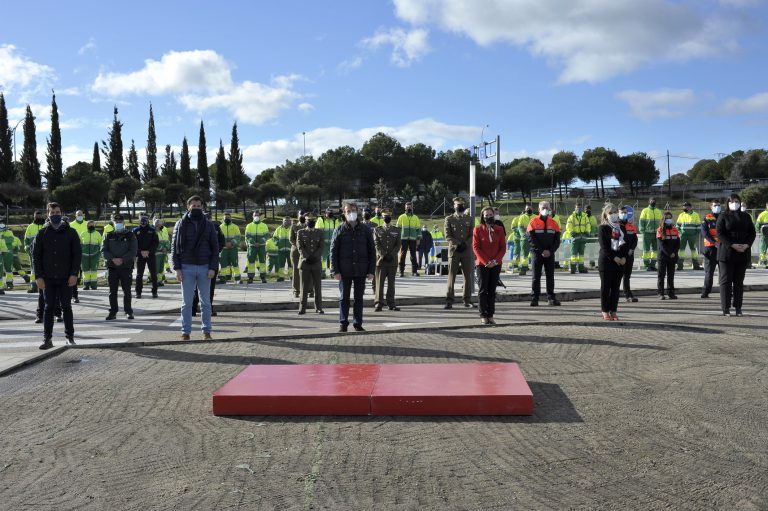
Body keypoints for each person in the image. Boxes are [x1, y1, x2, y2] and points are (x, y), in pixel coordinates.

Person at [33, 202, 81, 349]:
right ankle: (47, 339)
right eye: (52, 213)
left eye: (57, 212)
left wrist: (74, 274)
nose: (55, 215)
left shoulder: (71, 232)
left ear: (61, 213)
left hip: (66, 277)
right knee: (48, 308)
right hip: (48, 278)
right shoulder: (42, 233)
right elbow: (36, 256)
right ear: (48, 214)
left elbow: (77, 255)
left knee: (66, 307)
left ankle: (70, 337)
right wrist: (38, 276)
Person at [172, 196, 220, 341]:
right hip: (186, 267)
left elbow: (215, 248)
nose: (196, 208)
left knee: (206, 302)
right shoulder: (180, 224)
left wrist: (213, 268)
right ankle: (185, 332)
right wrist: (177, 268)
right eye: (194, 205)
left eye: (199, 206)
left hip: (205, 267)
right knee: (186, 303)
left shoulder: (209, 225)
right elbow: (174, 248)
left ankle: (206, 331)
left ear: (202, 207)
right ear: (188, 207)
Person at [330, 202, 375, 332]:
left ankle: (357, 323)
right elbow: (333, 252)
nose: (351, 213)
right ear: (344, 214)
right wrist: (335, 270)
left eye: (353, 210)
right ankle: (343, 323)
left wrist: (371, 270)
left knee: (359, 298)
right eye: (348, 211)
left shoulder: (365, 230)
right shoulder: (339, 229)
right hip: (344, 270)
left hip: (361, 270)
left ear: (357, 212)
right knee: (344, 298)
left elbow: (372, 251)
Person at [716, 194, 756, 316]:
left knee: (739, 283)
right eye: (732, 201)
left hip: (742, 253)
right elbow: (720, 233)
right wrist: (732, 245)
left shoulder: (746, 216)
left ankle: (738, 307)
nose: (735, 203)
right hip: (727, 254)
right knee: (726, 282)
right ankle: (726, 308)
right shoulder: (723, 216)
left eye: (737, 201)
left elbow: (752, 233)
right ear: (728, 203)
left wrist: (746, 245)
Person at [473, 207, 506, 324]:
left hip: (496, 264)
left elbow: (503, 248)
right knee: (483, 290)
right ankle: (483, 314)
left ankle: (490, 314)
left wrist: (495, 261)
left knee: (492, 290)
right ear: (482, 217)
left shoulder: (499, 229)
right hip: (482, 264)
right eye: (486, 215)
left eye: (490, 214)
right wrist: (486, 262)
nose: (488, 217)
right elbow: (476, 247)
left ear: (494, 215)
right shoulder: (477, 229)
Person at [102, 213, 137, 320]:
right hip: (112, 267)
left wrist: (122, 259)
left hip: (126, 266)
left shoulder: (130, 235)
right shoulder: (108, 235)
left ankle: (128, 311)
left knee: (127, 291)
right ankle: (113, 312)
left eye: (120, 221)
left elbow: (133, 250)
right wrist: (113, 259)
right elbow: (103, 250)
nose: (118, 223)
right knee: (112, 291)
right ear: (113, 223)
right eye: (116, 221)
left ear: (123, 222)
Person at [526, 201, 561, 306]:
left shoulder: (554, 223)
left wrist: (550, 251)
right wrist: (541, 250)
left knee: (550, 276)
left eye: (547, 207)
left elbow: (557, 240)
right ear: (539, 210)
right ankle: (535, 299)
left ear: (550, 209)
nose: (545, 209)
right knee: (536, 277)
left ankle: (551, 298)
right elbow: (531, 238)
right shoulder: (533, 222)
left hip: (550, 254)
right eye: (543, 208)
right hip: (537, 253)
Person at [598, 203, 629, 320]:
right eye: (610, 213)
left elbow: (626, 244)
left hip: (620, 262)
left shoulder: (621, 228)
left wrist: (624, 257)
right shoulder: (603, 228)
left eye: (615, 212)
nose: (613, 214)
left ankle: (613, 310)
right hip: (607, 262)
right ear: (606, 215)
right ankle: (605, 311)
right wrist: (614, 258)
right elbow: (604, 247)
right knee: (606, 288)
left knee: (616, 289)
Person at [192, 212, 225, 317]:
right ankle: (193, 308)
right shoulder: (195, 227)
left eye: (209, 218)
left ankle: (208, 309)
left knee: (210, 287)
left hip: (212, 261)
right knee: (197, 287)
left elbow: (221, 241)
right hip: (199, 261)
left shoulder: (216, 227)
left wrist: (215, 251)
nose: (208, 219)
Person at [444, 197, 475, 309]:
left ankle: (467, 300)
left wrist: (465, 244)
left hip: (466, 251)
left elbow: (472, 234)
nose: (460, 206)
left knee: (467, 276)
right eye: (458, 205)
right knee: (451, 276)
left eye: (462, 205)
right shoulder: (449, 219)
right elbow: (447, 235)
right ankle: (449, 300)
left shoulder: (469, 219)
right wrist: (457, 244)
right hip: (454, 251)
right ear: (454, 206)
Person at [373, 208, 401, 311]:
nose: (387, 218)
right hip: (381, 261)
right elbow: (376, 244)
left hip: (392, 261)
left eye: (388, 217)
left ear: (391, 217)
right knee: (379, 284)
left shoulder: (396, 230)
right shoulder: (377, 229)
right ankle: (378, 303)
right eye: (385, 217)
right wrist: (384, 255)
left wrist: (392, 255)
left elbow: (398, 244)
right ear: (382, 217)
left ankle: (391, 303)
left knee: (391, 284)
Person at [297, 212, 324, 315]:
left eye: (312, 220)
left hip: (316, 262)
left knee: (317, 287)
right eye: (309, 220)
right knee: (303, 287)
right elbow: (300, 246)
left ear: (315, 221)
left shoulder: (319, 232)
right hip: (305, 263)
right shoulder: (300, 232)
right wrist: (307, 257)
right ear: (305, 221)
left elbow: (321, 246)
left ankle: (319, 307)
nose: (311, 222)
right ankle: (302, 308)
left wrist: (315, 257)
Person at [133, 213, 159, 299]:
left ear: (147, 221)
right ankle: (138, 292)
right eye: (142, 221)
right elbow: (133, 244)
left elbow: (155, 242)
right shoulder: (135, 231)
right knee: (139, 274)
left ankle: (154, 292)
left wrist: (148, 251)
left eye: (145, 221)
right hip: (140, 255)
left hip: (150, 255)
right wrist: (140, 252)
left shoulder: (152, 230)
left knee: (153, 274)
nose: (143, 223)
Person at [656, 211, 680, 300]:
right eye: (667, 218)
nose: (669, 219)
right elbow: (662, 245)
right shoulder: (660, 230)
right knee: (661, 275)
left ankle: (671, 293)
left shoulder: (675, 229)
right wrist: (670, 253)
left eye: (670, 218)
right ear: (663, 219)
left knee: (671, 276)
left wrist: (674, 253)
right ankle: (660, 293)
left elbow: (678, 243)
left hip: (672, 256)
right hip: (663, 256)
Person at [700, 199, 721, 299]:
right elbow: (705, 233)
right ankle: (705, 292)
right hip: (710, 248)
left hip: (722, 248)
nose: (717, 207)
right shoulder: (706, 218)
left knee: (725, 272)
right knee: (709, 271)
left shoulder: (724, 217)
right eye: (715, 205)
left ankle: (727, 292)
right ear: (711, 207)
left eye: (718, 205)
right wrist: (714, 242)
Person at [619, 205, 639, 302]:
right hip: (620, 254)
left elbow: (635, 239)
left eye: (625, 212)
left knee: (627, 275)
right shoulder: (616, 226)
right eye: (622, 212)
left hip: (630, 254)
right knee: (617, 275)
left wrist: (632, 249)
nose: (624, 214)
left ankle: (628, 294)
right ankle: (613, 294)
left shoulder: (631, 226)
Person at [396, 201, 421, 277]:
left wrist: (418, 239)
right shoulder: (401, 217)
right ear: (405, 208)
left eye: (410, 207)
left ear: (412, 208)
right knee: (402, 255)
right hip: (403, 239)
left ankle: (414, 271)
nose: (408, 208)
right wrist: (397, 239)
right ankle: (401, 272)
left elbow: (418, 229)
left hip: (413, 239)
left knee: (413, 255)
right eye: (407, 207)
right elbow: (397, 229)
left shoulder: (415, 217)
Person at [675, 201, 702, 270]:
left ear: (691, 207)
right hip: (683, 236)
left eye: (687, 206)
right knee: (681, 250)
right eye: (684, 206)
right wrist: (680, 233)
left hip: (692, 236)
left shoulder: (695, 215)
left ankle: (696, 265)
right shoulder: (681, 215)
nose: (685, 207)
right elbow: (677, 225)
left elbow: (698, 225)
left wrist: (696, 234)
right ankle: (680, 266)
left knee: (693, 250)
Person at [245, 210, 269, 284]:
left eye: (258, 215)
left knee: (262, 262)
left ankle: (263, 277)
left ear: (260, 216)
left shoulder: (264, 225)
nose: (256, 216)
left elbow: (266, 235)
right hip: (252, 247)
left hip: (262, 246)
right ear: (252, 216)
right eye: (255, 215)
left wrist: (260, 242)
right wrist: (253, 243)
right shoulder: (249, 226)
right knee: (251, 262)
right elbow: (247, 236)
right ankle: (250, 278)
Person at [24, 210, 46, 293]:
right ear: (34, 217)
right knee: (33, 269)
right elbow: (26, 239)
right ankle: (33, 286)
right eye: (36, 216)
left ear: (42, 216)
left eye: (39, 216)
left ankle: (45, 286)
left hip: (45, 252)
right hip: (33, 252)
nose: (38, 217)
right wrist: (27, 247)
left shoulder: (45, 226)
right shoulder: (30, 227)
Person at [639, 198, 663, 271]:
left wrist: (661, 231)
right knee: (646, 250)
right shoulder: (645, 210)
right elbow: (641, 221)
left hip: (657, 233)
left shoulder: (658, 211)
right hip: (647, 233)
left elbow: (661, 222)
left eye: (654, 201)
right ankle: (647, 265)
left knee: (655, 250)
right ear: (649, 202)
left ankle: (653, 265)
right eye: (652, 200)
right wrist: (642, 230)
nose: (653, 202)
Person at [566, 203, 590, 274]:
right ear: (575, 208)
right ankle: (573, 269)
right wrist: (572, 232)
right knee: (574, 254)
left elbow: (588, 225)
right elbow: (568, 226)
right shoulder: (571, 217)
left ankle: (581, 268)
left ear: (581, 208)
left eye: (579, 208)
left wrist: (587, 232)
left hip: (583, 238)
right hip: (575, 239)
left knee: (581, 255)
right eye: (577, 208)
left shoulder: (585, 217)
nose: (578, 209)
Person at [317, 208, 341, 278]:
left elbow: (338, 231)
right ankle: (322, 272)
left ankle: (332, 272)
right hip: (323, 243)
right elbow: (319, 230)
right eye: (328, 212)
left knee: (332, 257)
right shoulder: (321, 220)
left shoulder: (335, 220)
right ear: (325, 213)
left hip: (333, 243)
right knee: (323, 258)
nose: (330, 214)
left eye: (331, 212)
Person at [218, 212, 241, 283]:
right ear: (223, 218)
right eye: (225, 218)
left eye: (228, 217)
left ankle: (237, 278)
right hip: (223, 249)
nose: (227, 219)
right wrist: (224, 244)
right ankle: (223, 278)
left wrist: (231, 243)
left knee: (235, 263)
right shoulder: (220, 227)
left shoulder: (235, 227)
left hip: (233, 248)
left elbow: (238, 237)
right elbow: (218, 238)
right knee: (223, 263)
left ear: (231, 218)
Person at [80, 220, 102, 290]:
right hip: (84, 256)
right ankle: (86, 285)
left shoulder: (98, 234)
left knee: (94, 270)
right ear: (87, 225)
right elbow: (79, 244)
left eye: (92, 224)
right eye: (90, 224)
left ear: (94, 225)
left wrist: (98, 253)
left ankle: (94, 285)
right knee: (85, 270)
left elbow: (101, 244)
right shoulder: (83, 233)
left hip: (95, 255)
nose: (91, 226)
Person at [290, 210, 306, 297]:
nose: (302, 216)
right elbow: (291, 239)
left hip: (307, 252)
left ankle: (309, 289)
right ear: (298, 216)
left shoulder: (309, 225)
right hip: (296, 252)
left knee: (308, 271)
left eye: (303, 214)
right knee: (296, 271)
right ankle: (296, 290)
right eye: (300, 214)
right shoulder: (294, 226)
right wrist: (300, 247)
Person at [516, 204, 536, 275]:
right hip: (525, 239)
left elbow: (537, 227)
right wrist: (524, 234)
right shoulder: (522, 217)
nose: (529, 209)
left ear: (532, 209)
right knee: (524, 255)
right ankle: (523, 269)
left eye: (530, 208)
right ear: (525, 209)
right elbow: (520, 227)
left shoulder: (535, 217)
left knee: (535, 254)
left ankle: (536, 270)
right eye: (527, 208)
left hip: (534, 239)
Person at [272, 216, 292, 282]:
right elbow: (274, 238)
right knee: (281, 264)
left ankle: (291, 276)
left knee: (291, 264)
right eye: (285, 220)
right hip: (281, 250)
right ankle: (281, 277)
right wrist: (277, 243)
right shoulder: (278, 229)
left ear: (290, 222)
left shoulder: (292, 229)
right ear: (282, 221)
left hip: (290, 250)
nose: (286, 222)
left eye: (288, 220)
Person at [154, 218, 170, 287]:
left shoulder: (163, 230)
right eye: (159, 224)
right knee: (156, 268)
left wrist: (166, 248)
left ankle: (159, 281)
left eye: (161, 224)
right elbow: (154, 243)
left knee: (161, 268)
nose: (161, 225)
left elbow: (167, 240)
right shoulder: (154, 232)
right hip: (156, 253)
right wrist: (161, 248)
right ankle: (156, 281)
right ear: (156, 225)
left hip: (163, 253)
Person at [0, 222, 14, 289]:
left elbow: (11, 239)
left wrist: (2, 238)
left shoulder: (9, 232)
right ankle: (1, 285)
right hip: (1, 253)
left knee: (8, 268)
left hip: (8, 252)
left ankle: (9, 283)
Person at [757, 202, 768, 268]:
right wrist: (758, 230)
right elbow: (758, 224)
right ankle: (763, 261)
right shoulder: (762, 214)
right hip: (764, 235)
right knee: (763, 248)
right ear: (766, 205)